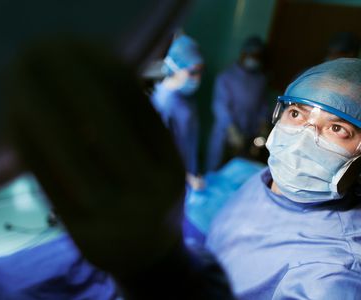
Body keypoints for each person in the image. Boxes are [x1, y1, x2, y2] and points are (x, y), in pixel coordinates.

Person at [206, 58, 361, 299]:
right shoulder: (268, 178)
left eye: (337, 129)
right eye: (297, 113)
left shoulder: (331, 276)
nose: (302, 141)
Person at [206, 36, 268, 171]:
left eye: (257, 56)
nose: (254, 59)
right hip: (225, 133)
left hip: (249, 132)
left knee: (240, 170)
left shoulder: (260, 79)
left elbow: (262, 104)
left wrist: (263, 125)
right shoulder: (226, 77)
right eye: (251, 55)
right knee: (216, 169)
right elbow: (220, 107)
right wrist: (232, 130)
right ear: (243, 53)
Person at [151, 33, 204, 188]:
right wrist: (187, 178)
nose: (198, 78)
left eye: (201, 71)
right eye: (193, 72)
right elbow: (157, 154)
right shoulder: (162, 102)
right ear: (175, 67)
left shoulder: (186, 96)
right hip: (169, 180)